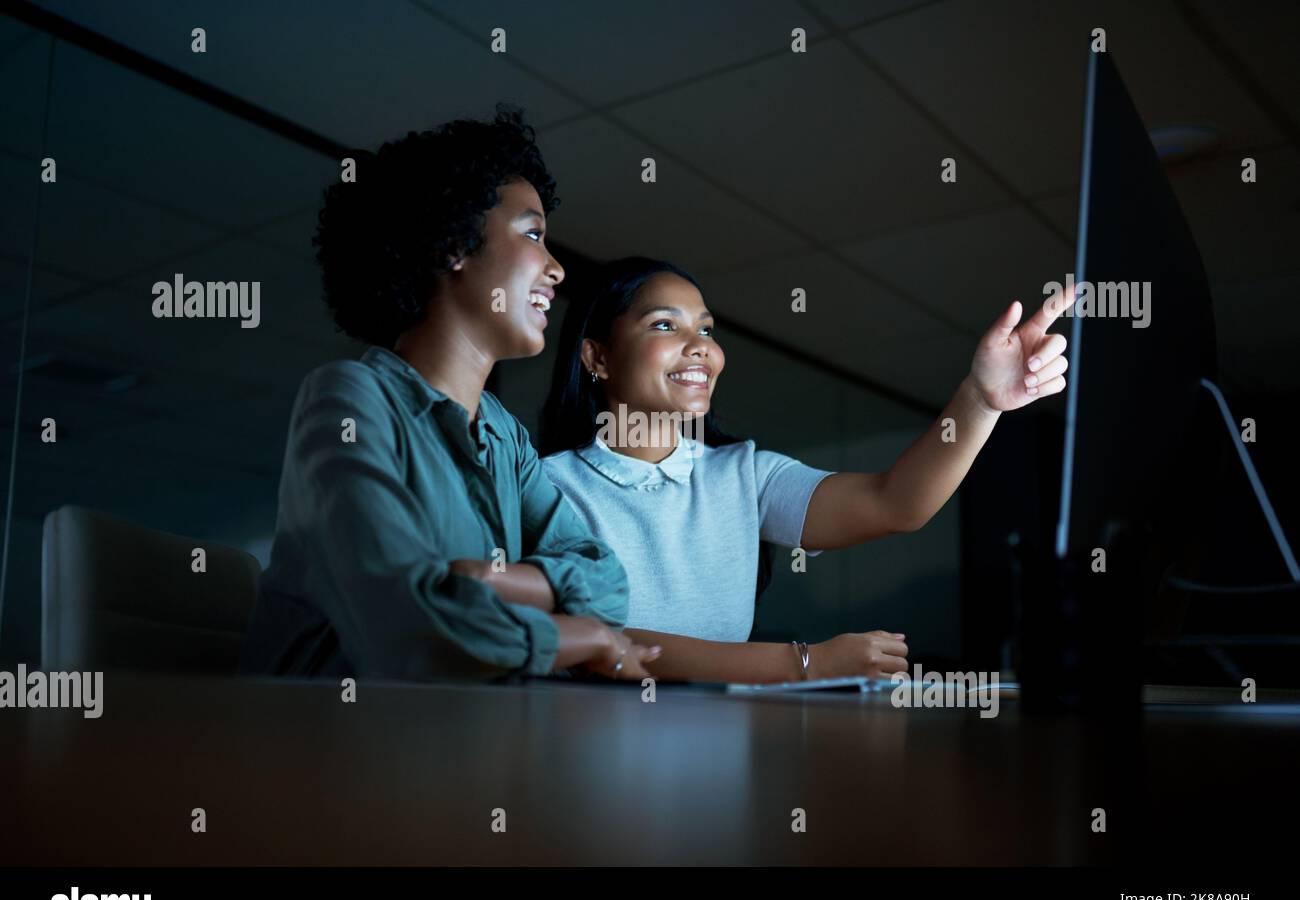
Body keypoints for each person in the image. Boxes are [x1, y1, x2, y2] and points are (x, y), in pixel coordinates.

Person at [241, 108, 659, 682]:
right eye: (533, 235)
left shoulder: (502, 435)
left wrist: (485, 580)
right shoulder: (348, 399)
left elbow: (608, 582)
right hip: (330, 751)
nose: (557, 269)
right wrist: (579, 635)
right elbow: (408, 629)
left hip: (456, 742)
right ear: (452, 245)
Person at [539, 257, 1073, 684]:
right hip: (589, 758)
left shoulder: (744, 476)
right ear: (597, 358)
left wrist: (980, 400)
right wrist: (807, 664)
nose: (702, 346)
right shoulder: (544, 485)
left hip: (716, 773)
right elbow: (599, 642)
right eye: (664, 324)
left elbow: (896, 503)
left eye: (705, 328)